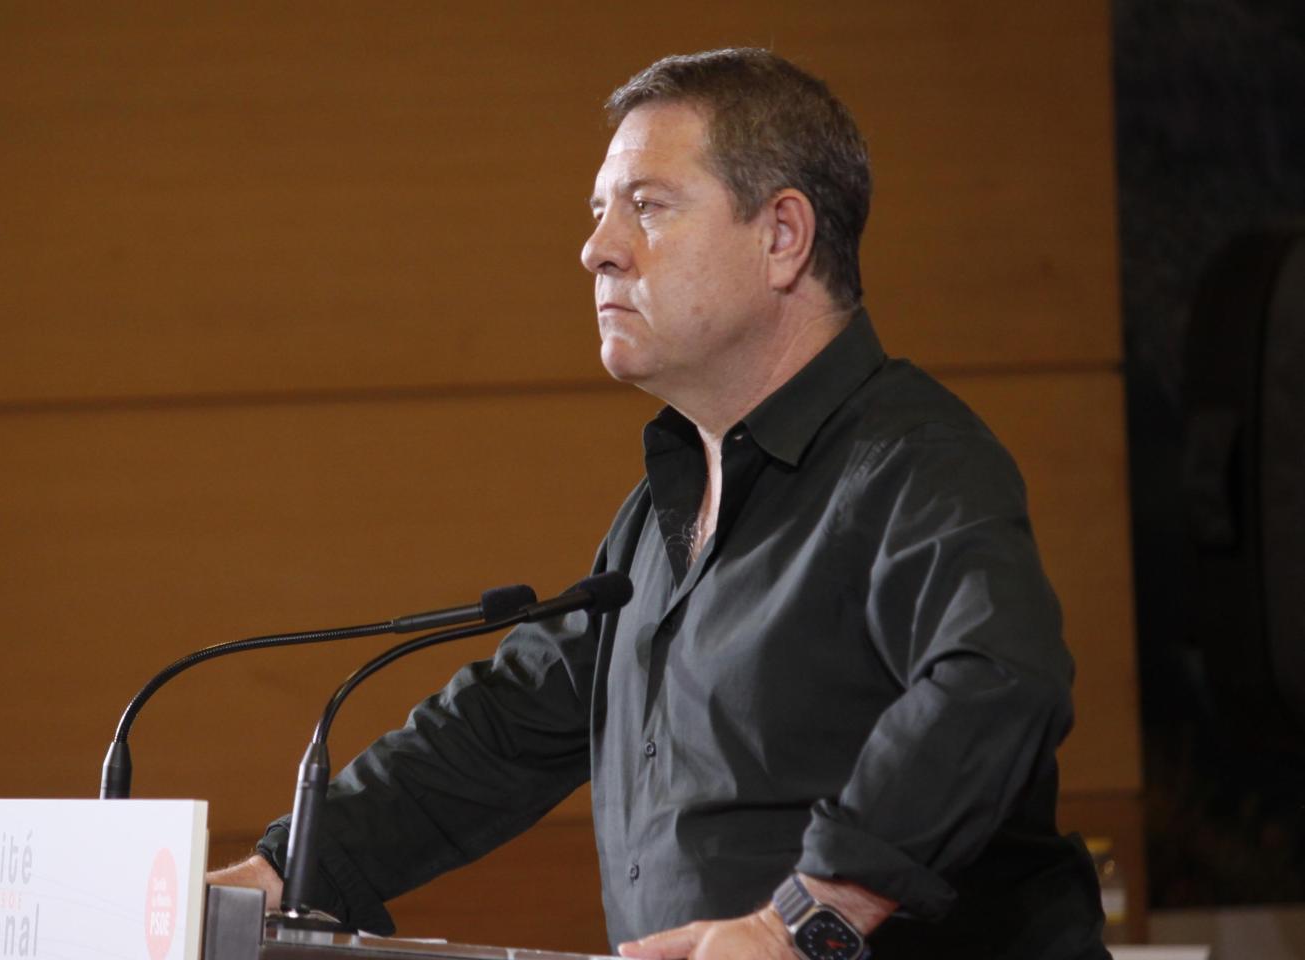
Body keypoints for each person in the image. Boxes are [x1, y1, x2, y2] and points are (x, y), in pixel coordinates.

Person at [210, 48, 1109, 960]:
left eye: (647, 206)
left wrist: (810, 917)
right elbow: (502, 730)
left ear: (782, 237)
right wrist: (280, 877)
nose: (597, 247)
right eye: (600, 212)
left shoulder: (911, 458)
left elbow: (998, 679)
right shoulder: (660, 513)